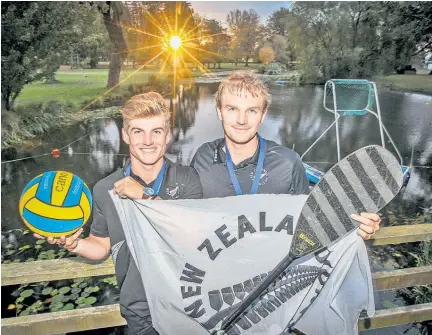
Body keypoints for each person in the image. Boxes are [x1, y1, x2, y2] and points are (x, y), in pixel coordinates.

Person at [35, 92, 202, 335]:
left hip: (188, 305)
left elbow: (193, 239)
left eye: (156, 131)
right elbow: (101, 245)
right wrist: (72, 242)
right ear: (125, 135)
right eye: (138, 131)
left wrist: (145, 196)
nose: (148, 140)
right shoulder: (104, 189)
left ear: (167, 135)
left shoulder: (188, 179)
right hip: (140, 310)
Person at [191, 71, 381, 240]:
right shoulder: (203, 157)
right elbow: (185, 215)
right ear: (219, 111)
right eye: (232, 109)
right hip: (218, 271)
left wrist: (354, 226)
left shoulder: (288, 162)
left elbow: (308, 222)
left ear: (263, 114)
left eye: (252, 110)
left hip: (271, 275)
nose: (242, 120)